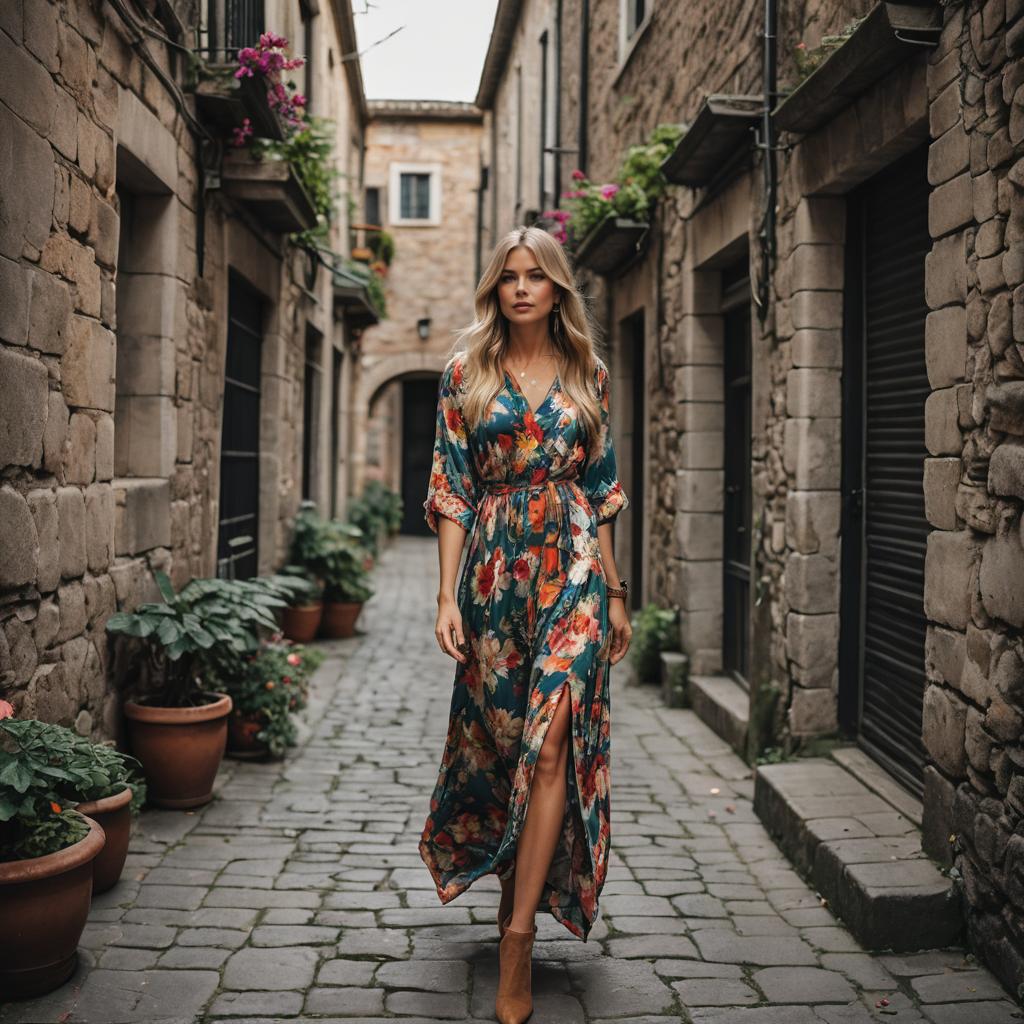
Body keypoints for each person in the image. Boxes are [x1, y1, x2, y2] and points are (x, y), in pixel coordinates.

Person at [418, 225, 632, 1024]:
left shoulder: (590, 375)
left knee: (551, 745)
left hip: (573, 564)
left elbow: (605, 489)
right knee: (506, 742)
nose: (520, 289)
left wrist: (614, 591)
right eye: (507, 276)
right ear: (494, 287)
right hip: (497, 574)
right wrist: (446, 596)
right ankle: (517, 877)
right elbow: (450, 490)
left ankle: (518, 940)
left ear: (557, 289)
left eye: (535, 277)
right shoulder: (464, 375)